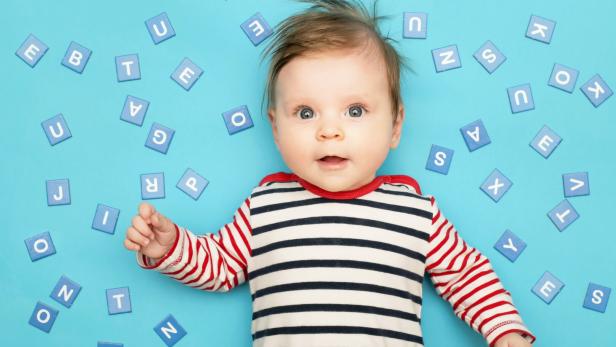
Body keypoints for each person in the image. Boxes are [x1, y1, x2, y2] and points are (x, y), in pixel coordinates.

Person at [124, 1, 535, 346]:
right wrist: (169, 247)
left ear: (395, 127)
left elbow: (467, 275)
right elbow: (217, 266)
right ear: (276, 129)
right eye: (305, 113)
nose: (329, 129)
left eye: (355, 111)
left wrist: (507, 334)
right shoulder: (264, 207)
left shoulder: (416, 213)